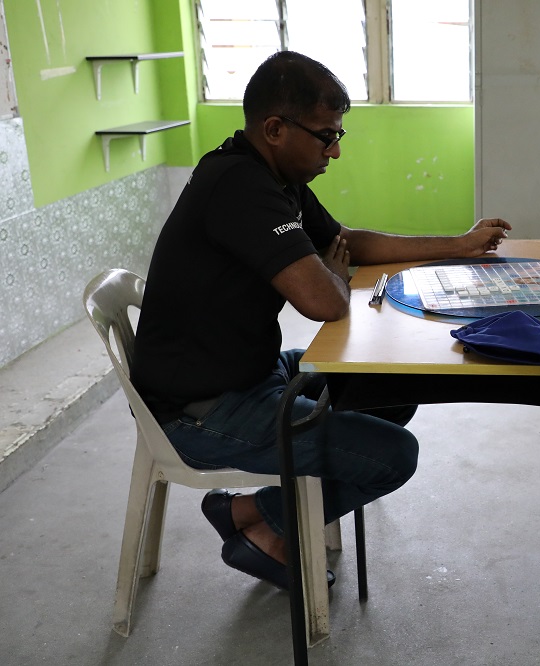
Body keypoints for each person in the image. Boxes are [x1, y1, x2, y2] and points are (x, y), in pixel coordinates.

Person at [131, 51, 512, 590]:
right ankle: (269, 526)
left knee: (395, 388)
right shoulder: (238, 186)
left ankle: (249, 513)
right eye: (326, 136)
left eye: (339, 136)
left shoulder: (273, 176)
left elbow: (346, 243)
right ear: (275, 128)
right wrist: (334, 278)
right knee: (395, 456)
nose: (334, 150)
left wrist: (459, 244)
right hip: (200, 411)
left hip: (251, 373)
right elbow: (325, 302)